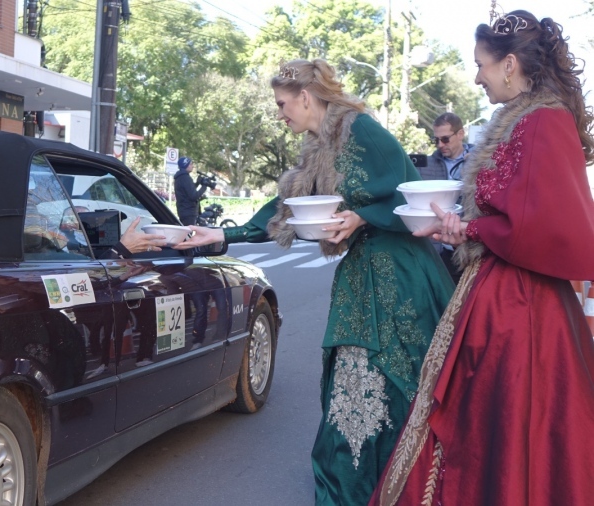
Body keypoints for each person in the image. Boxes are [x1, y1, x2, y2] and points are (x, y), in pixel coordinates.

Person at [177, 58, 454, 505]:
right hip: (361, 273)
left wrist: (362, 215)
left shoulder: (362, 129)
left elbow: (409, 192)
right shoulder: (316, 147)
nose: (280, 113)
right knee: (354, 381)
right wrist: (222, 235)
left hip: (401, 275)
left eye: (281, 104)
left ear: (305, 97)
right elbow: (287, 209)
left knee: (396, 381)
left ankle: (401, 483)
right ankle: (363, 485)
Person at [371, 10, 594, 505]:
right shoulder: (526, 120)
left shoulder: (543, 121)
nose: (477, 77)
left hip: (522, 306)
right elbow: (516, 216)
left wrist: (468, 228)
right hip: (498, 294)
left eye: (480, 65)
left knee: (508, 423)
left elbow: (544, 227)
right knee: (493, 425)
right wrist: (461, 228)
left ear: (509, 64)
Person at [421, 112, 473, 283]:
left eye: (445, 139)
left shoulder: (480, 159)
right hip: (439, 246)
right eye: (435, 140)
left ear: (460, 134)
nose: (440, 145)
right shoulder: (427, 164)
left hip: (470, 242)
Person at [173, 156, 207, 225]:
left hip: (183, 210)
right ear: (186, 165)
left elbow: (187, 190)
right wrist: (204, 186)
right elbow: (193, 196)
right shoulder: (185, 178)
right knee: (188, 231)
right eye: (191, 164)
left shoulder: (180, 177)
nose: (192, 166)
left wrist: (197, 183)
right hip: (188, 211)